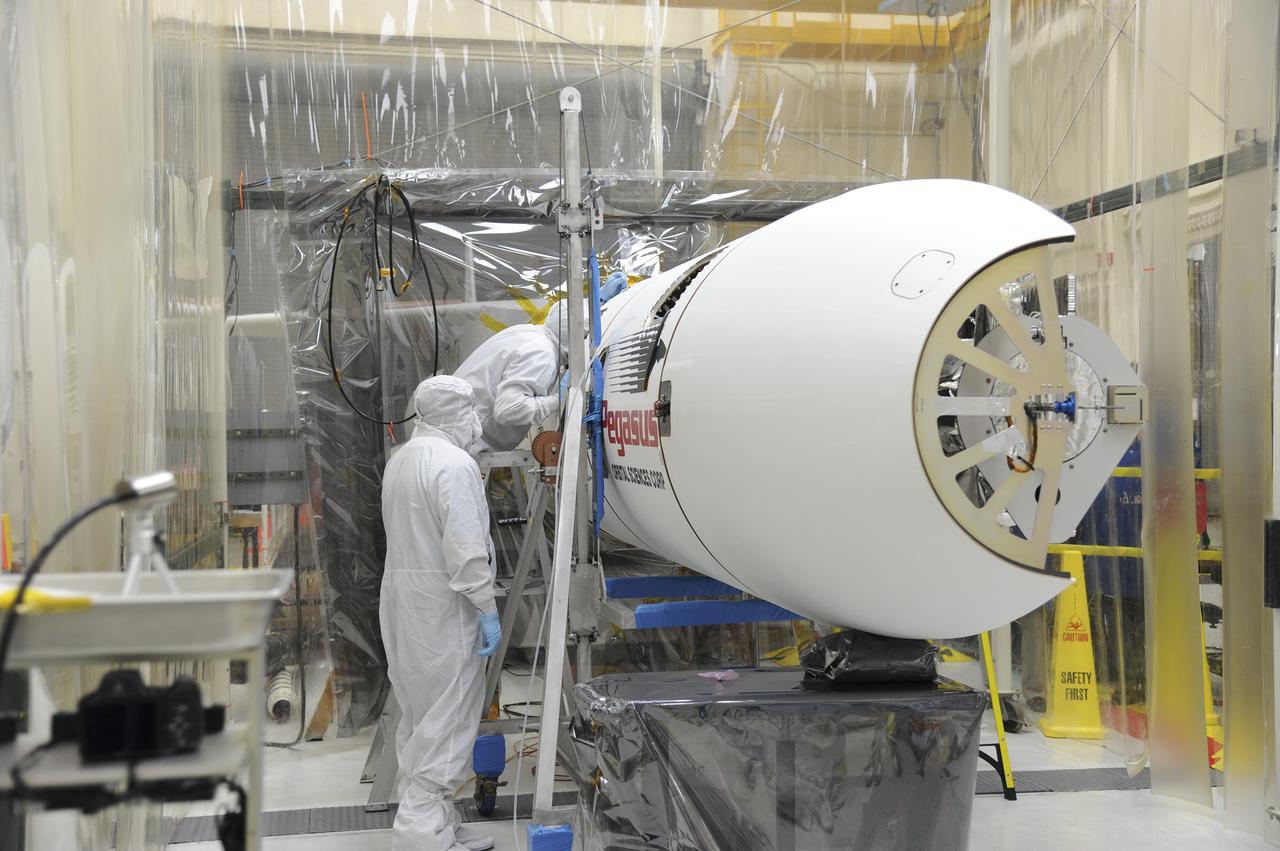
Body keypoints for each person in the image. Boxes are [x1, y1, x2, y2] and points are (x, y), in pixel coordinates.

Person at [380, 375, 503, 851]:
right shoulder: (454, 464)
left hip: (404, 600)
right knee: (449, 715)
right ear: (453, 413)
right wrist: (486, 607)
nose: (477, 419)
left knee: (420, 713)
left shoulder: (402, 459)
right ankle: (421, 835)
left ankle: (438, 823)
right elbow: (467, 550)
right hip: (443, 605)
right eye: (471, 409)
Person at [454, 271, 628, 453]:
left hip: (453, 434)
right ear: (581, 339)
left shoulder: (530, 333)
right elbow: (509, 409)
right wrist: (556, 401)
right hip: (466, 444)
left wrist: (599, 300)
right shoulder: (541, 355)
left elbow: (572, 320)